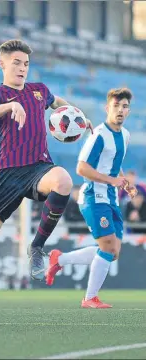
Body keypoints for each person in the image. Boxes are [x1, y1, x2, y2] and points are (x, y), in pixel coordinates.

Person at [0, 39, 92, 328]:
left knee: (64, 180)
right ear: (2, 64)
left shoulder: (39, 91)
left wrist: (79, 117)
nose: (22, 68)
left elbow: (60, 105)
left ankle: (37, 248)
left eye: (26, 63)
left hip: (39, 167)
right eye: (16, 62)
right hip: (6, 173)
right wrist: (9, 106)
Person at [45, 88, 137, 308]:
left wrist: (123, 181)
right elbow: (81, 168)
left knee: (112, 253)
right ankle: (89, 298)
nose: (120, 110)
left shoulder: (124, 135)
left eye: (124, 106)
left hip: (111, 198)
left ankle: (60, 259)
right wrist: (110, 180)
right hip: (94, 197)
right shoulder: (98, 135)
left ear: (129, 110)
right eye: (116, 106)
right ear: (107, 108)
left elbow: (114, 163)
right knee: (107, 247)